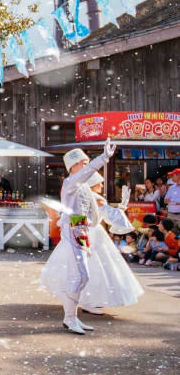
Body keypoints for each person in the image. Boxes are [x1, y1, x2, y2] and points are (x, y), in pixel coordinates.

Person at [40, 138, 116, 335]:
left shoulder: (81, 185)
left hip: (81, 231)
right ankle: (70, 318)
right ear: (74, 165)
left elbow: (91, 210)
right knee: (81, 275)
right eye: (83, 162)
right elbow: (86, 173)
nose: (86, 165)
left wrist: (93, 223)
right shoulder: (71, 182)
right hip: (73, 231)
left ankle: (71, 318)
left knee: (80, 276)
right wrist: (103, 158)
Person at [78, 173, 143, 314]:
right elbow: (111, 217)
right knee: (97, 267)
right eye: (99, 183)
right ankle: (89, 301)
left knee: (85, 266)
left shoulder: (81, 196)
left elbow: (77, 217)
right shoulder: (97, 199)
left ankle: (84, 299)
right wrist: (122, 207)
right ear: (92, 184)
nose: (102, 185)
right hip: (93, 233)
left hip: (84, 232)